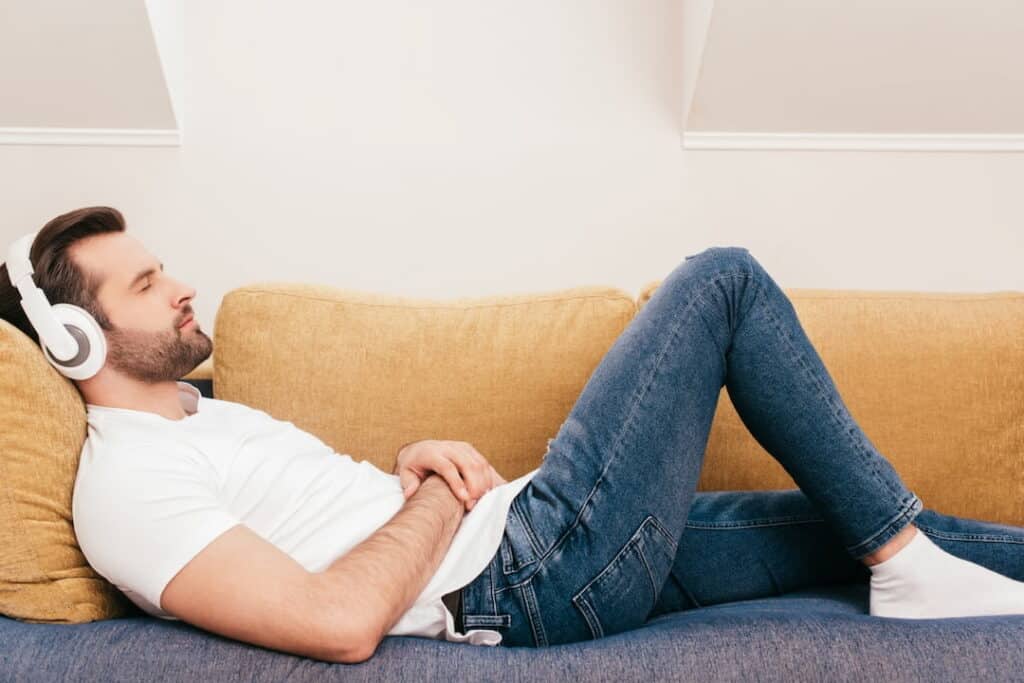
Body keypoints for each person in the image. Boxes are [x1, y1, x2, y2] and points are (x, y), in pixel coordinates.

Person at [2, 206, 1024, 663]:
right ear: (76, 334)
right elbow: (333, 621)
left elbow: (321, 517)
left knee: (817, 526)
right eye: (146, 283)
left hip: (522, 536)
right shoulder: (127, 492)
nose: (181, 285)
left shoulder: (199, 413)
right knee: (721, 280)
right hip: (521, 572)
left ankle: (904, 550)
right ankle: (901, 554)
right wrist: (439, 495)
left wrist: (406, 466)